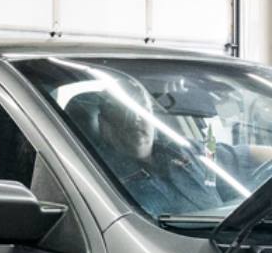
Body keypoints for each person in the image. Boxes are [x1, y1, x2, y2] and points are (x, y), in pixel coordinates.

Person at [92, 89, 226, 217]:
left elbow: (234, 162)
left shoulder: (186, 150)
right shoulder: (100, 180)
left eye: (143, 109)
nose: (136, 118)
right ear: (104, 124)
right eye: (124, 112)